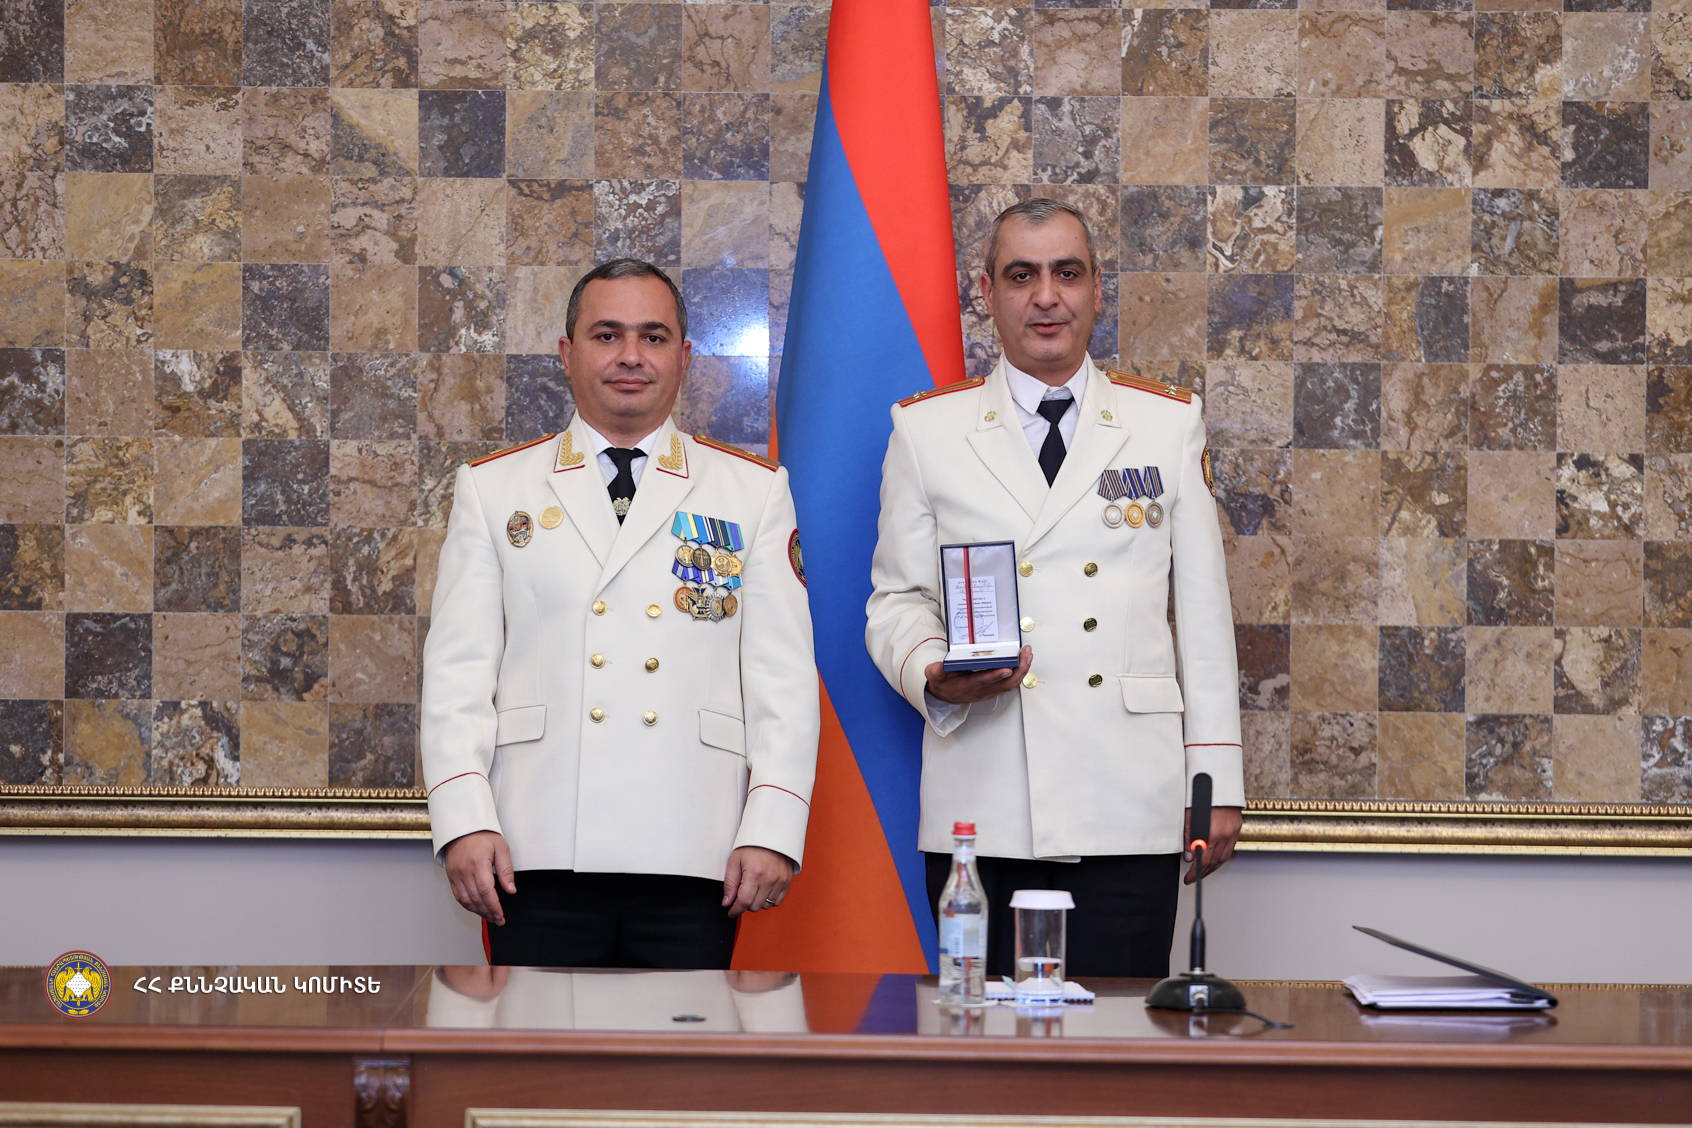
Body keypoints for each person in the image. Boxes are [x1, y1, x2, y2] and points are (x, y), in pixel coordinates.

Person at [864, 199, 1243, 978]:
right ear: (987, 292)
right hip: (985, 800)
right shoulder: (927, 432)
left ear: (1097, 288)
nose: (1046, 297)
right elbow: (897, 601)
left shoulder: (1165, 425)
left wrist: (1215, 784)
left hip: (1126, 801)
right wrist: (934, 671)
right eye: (1021, 276)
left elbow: (1205, 618)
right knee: (980, 1040)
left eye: (1067, 274)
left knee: (1119, 1037)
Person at [421, 258, 819, 969]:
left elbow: (782, 682)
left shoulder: (752, 493)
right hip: (534, 844)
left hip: (696, 845)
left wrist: (772, 827)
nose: (631, 355)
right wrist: (463, 821)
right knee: (537, 1040)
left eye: (652, 337)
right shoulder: (494, 490)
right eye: (607, 335)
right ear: (566, 352)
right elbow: (457, 678)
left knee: (684, 1041)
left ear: (684, 357)